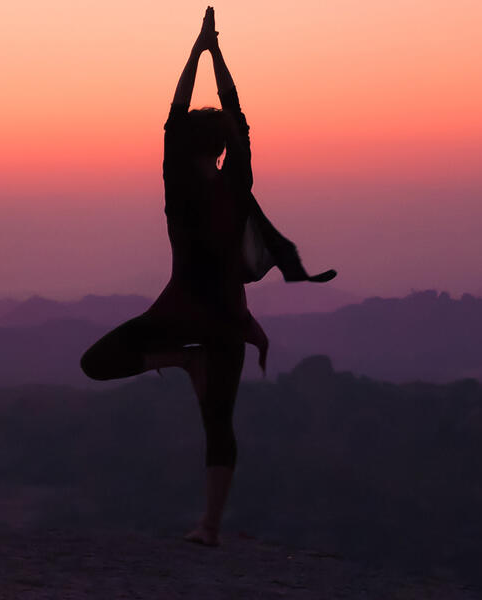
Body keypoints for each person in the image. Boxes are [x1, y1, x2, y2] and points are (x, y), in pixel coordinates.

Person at [79, 7, 335, 547]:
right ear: (222, 148)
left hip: (180, 312)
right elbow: (238, 115)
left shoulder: (179, 187)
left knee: (97, 362)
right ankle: (210, 526)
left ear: (186, 147)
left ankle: (180, 359)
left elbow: (174, 116)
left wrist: (197, 52)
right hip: (225, 317)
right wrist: (218, 55)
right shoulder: (236, 184)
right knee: (218, 422)